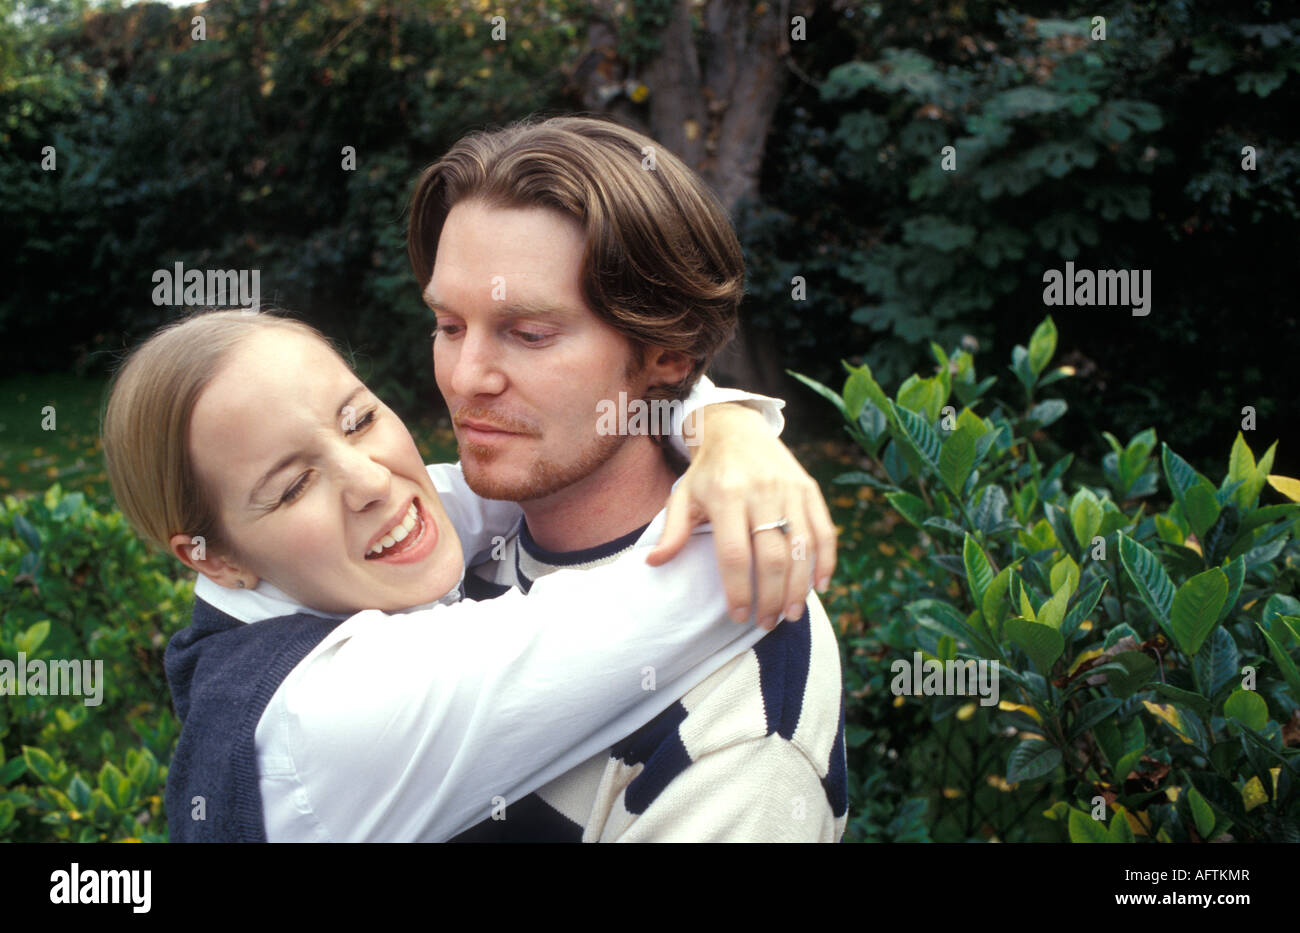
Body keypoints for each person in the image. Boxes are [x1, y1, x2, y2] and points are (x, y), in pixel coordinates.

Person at [101, 310, 820, 841]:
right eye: (291, 487)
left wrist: (726, 428)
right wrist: (750, 466)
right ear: (211, 556)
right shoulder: (331, 711)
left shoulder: (301, 567)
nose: (371, 480)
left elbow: (536, 461)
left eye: (356, 420)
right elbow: (744, 557)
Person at [406, 115, 847, 841]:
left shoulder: (739, 719)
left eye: (530, 333)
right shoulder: (446, 541)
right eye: (449, 325)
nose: (465, 377)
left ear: (667, 355)